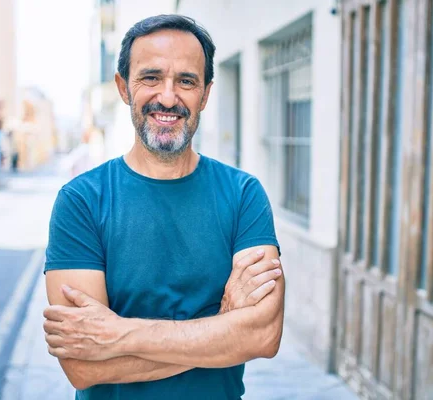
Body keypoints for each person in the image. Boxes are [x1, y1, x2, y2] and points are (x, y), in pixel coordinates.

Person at [42, 14, 285, 400]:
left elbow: (264, 335)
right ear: (123, 87)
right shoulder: (81, 201)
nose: (168, 98)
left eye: (186, 81)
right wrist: (223, 327)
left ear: (205, 94)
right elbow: (83, 367)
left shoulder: (243, 195)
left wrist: (117, 336)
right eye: (151, 78)